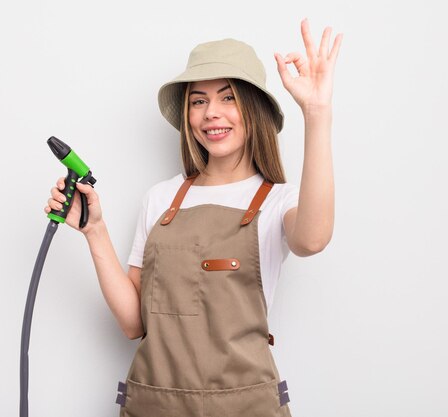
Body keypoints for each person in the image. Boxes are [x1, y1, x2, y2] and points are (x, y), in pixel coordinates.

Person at [45, 18, 342, 417]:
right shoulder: (161, 199)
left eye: (227, 98)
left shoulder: (277, 202)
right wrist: (94, 231)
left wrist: (317, 112)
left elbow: (312, 239)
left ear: (252, 108)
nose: (210, 114)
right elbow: (134, 323)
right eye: (198, 101)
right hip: (155, 406)